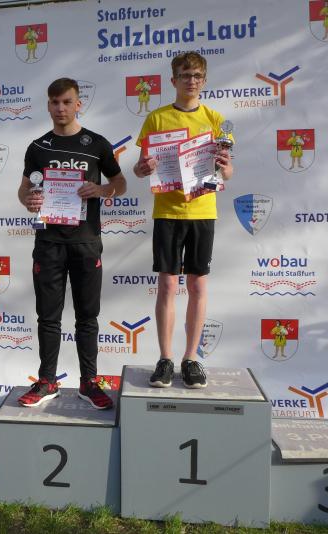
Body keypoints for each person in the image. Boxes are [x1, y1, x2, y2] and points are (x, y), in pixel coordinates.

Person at [17, 78, 127, 409]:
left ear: (78, 104)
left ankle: (89, 382)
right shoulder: (38, 147)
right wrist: (29, 201)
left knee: (87, 316)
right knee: (48, 317)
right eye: (55, 102)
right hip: (49, 242)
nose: (60, 108)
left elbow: (120, 182)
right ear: (48, 106)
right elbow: (24, 189)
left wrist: (102, 190)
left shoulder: (97, 144)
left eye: (67, 102)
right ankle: (47, 381)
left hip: (86, 242)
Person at [133, 52, 234, 389]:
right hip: (167, 212)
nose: (191, 81)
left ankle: (191, 358)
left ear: (204, 81)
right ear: (173, 80)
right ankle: (165, 359)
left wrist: (224, 167)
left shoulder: (215, 119)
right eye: (185, 75)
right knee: (166, 286)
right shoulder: (157, 118)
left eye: (197, 75)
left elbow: (227, 171)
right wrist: (143, 168)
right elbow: (140, 168)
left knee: (197, 286)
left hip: (202, 211)